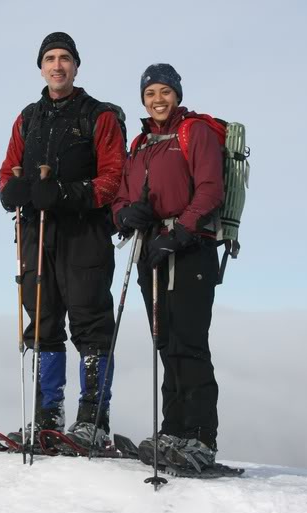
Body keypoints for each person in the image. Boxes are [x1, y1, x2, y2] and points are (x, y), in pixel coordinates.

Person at [0, 32, 126, 449]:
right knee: (43, 319)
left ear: (76, 66)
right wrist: (9, 193)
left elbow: (114, 178)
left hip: (84, 232)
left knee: (90, 322)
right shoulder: (27, 118)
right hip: (35, 232)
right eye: (50, 58)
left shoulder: (99, 116)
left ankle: (93, 420)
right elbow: (7, 170)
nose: (57, 65)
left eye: (65, 58)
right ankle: (47, 418)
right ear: (41, 67)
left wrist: (70, 193)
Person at [111, 63, 224, 472]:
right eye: (150, 93)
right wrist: (127, 216)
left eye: (164, 91)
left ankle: (200, 438)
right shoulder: (140, 142)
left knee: (188, 343)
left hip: (189, 250)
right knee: (165, 341)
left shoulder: (196, 132)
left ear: (177, 93)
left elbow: (211, 188)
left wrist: (180, 233)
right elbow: (121, 197)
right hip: (150, 251)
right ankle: (173, 430)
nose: (158, 99)